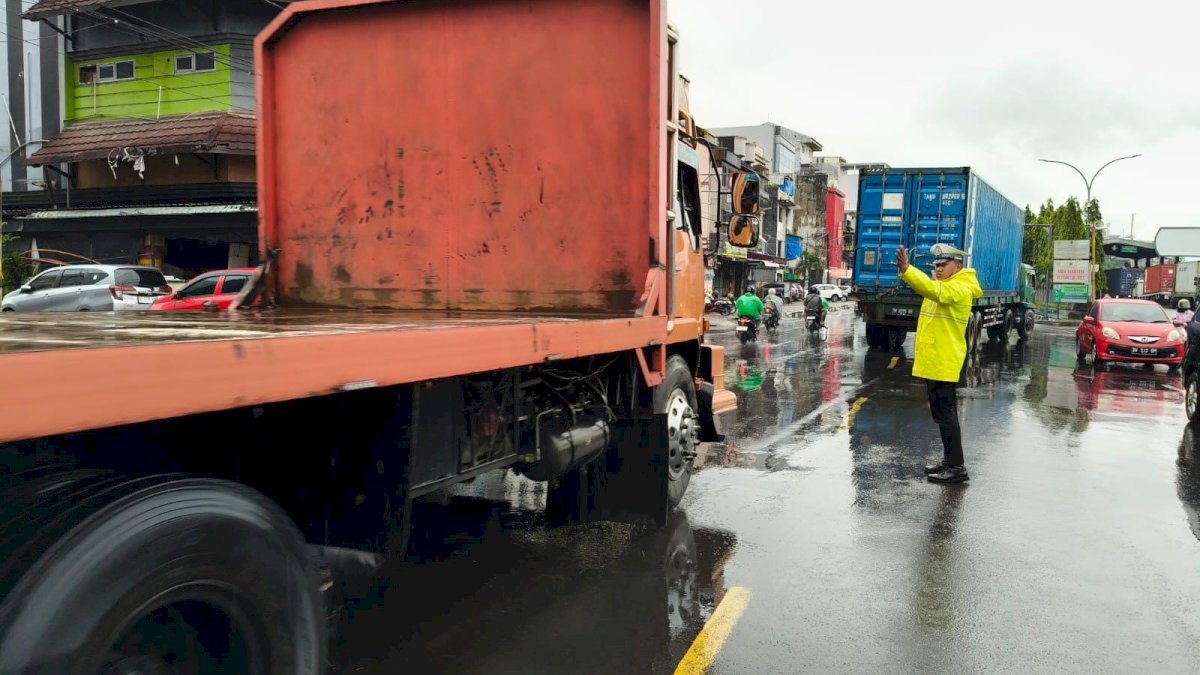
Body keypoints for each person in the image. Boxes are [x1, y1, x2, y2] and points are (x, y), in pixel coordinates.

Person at [896, 242, 983, 484]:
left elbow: (935, 292)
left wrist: (907, 270)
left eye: (943, 264)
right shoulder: (945, 285)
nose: (939, 268)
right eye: (936, 265)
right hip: (935, 361)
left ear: (958, 265)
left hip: (944, 361)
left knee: (946, 414)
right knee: (940, 413)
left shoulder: (960, 287)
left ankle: (956, 466)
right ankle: (950, 460)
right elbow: (932, 289)